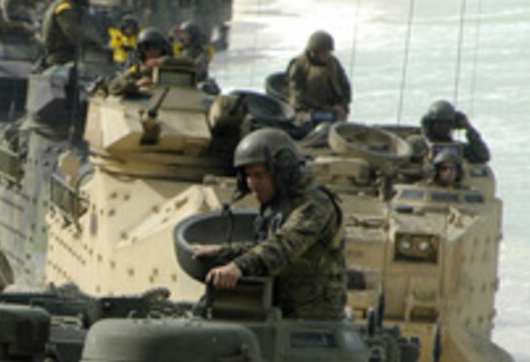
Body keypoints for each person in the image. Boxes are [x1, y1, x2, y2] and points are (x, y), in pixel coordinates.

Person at [194, 128, 346, 320]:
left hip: (312, 319)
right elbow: (264, 246)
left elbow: (284, 246)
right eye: (248, 176)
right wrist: (223, 251)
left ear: (283, 172)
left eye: (259, 175)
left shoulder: (315, 203)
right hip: (280, 313)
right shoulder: (279, 203)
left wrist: (238, 266)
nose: (252, 184)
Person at [286, 30, 351, 123]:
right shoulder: (298, 65)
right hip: (306, 112)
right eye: (324, 52)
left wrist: (343, 105)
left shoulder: (333, 63)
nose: (327, 55)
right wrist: (329, 108)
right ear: (314, 52)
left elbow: (345, 86)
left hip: (334, 110)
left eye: (328, 52)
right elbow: (299, 96)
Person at [420, 100, 490, 163]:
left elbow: (483, 156)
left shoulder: (457, 149)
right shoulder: (421, 145)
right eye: (439, 123)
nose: (443, 127)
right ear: (431, 124)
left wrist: (469, 128)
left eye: (448, 123)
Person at [40, 0, 91, 66]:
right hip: (60, 56)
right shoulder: (65, 9)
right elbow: (73, 33)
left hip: (59, 55)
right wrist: (90, 41)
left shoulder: (59, 3)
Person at [108, 28, 170, 96]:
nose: (152, 52)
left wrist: (164, 61)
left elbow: (182, 62)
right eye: (147, 48)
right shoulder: (138, 70)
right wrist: (136, 84)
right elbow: (114, 86)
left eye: (156, 47)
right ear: (141, 51)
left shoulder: (171, 68)